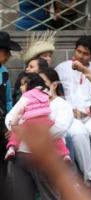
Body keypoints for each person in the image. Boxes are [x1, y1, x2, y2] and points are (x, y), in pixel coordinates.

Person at [55, 35, 91, 182]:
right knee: (79, 134)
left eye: (86, 53)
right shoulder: (61, 68)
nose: (81, 56)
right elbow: (57, 95)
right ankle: (89, 178)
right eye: (79, 51)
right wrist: (68, 110)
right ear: (74, 50)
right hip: (69, 116)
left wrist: (88, 111)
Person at [5, 73, 70, 160]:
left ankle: (11, 148)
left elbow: (17, 112)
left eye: (23, 84)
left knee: (16, 132)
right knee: (58, 140)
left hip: (30, 125)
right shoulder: (45, 95)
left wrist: (13, 124)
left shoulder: (26, 96)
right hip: (44, 122)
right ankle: (65, 155)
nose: (20, 87)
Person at [0, 31, 21, 199]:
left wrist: (9, 125)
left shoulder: (5, 73)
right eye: (6, 51)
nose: (8, 56)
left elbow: (8, 102)